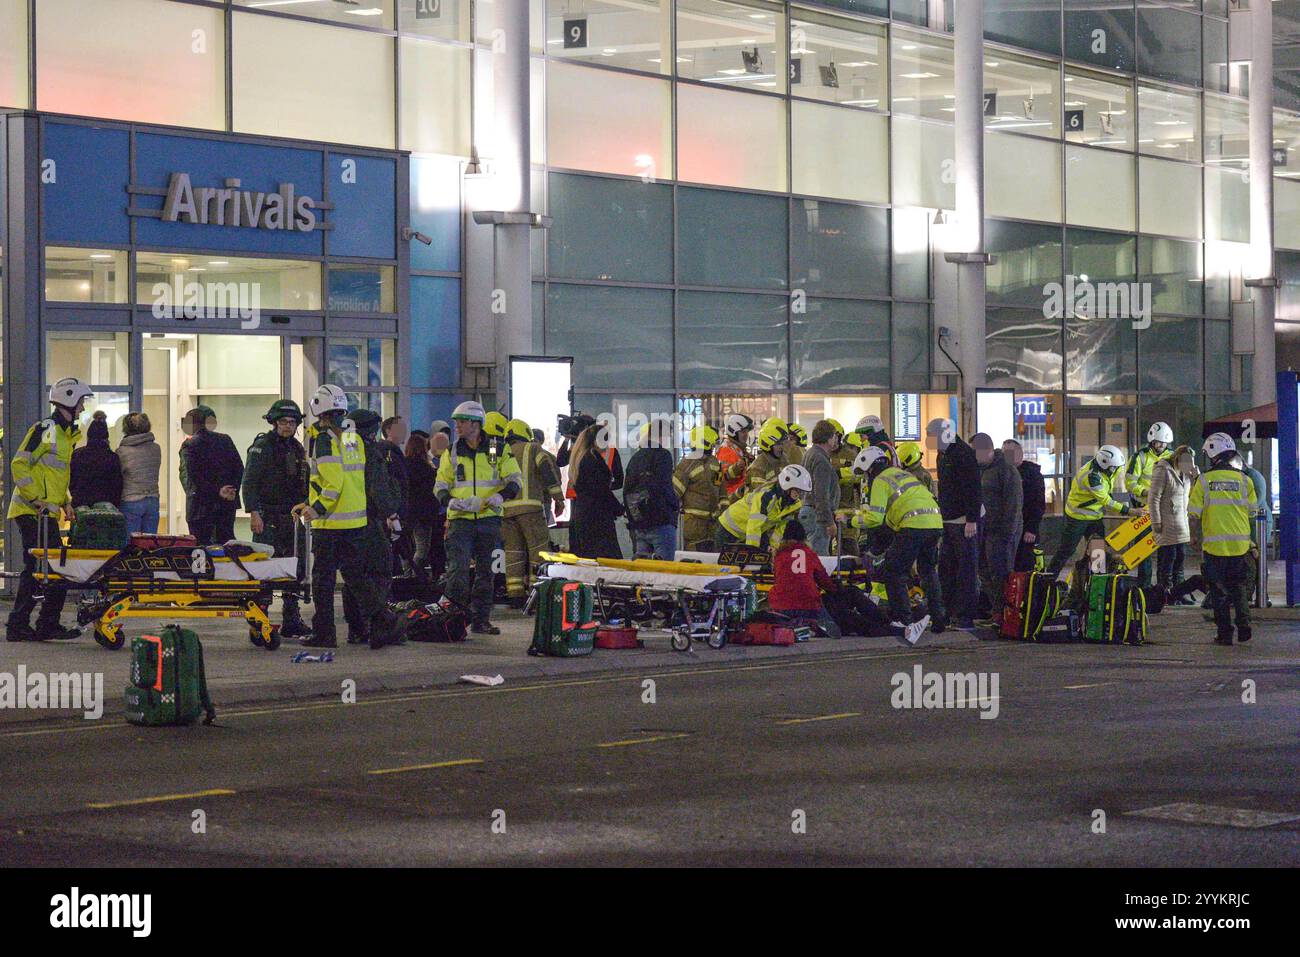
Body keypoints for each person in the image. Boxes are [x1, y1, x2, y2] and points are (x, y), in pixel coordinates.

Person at [296, 386, 399, 650]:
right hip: (355, 521)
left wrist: (315, 509)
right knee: (355, 576)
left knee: (323, 580)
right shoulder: (353, 438)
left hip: (331, 522)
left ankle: (324, 633)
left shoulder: (324, 439)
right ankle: (382, 617)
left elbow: (334, 482)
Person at [5, 377, 90, 642]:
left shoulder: (66, 435)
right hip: (32, 511)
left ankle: (34, 624)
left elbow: (54, 475)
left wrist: (65, 501)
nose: (83, 409)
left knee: (46, 568)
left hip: (46, 512)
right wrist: (37, 499)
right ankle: (30, 625)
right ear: (68, 399)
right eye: (81, 403)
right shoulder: (47, 429)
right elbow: (19, 465)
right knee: (46, 568)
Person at [436, 401, 523, 634]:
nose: (457, 426)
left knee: (487, 572)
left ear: (476, 424)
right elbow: (441, 485)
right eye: (456, 422)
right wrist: (449, 501)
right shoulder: (452, 451)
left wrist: (500, 497)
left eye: (461, 422)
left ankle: (480, 620)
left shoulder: (496, 448)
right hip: (460, 520)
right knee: (458, 572)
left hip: (489, 520)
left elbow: (515, 479)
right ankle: (454, 622)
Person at [849, 446, 945, 639]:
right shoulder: (903, 475)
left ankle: (904, 621)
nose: (866, 477)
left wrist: (850, 519)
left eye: (866, 473)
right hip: (934, 523)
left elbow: (875, 518)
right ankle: (939, 618)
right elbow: (893, 519)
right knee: (927, 571)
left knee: (893, 572)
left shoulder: (880, 481)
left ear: (870, 468)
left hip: (913, 525)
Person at [242, 399, 311, 639]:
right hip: (267, 516)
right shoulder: (262, 446)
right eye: (283, 422)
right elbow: (249, 481)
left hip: (291, 517)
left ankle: (291, 619)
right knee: (264, 571)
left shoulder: (297, 448)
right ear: (274, 422)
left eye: (292, 422)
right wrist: (254, 512)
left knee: (295, 568)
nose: (287, 426)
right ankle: (259, 623)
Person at [1188, 433, 1256, 646]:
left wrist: (1194, 536)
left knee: (1218, 592)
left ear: (1212, 455)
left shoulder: (1204, 480)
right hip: (1239, 546)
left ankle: (1225, 633)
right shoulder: (1245, 480)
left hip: (1214, 547)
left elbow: (1193, 514)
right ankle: (1244, 626)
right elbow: (1252, 513)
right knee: (1238, 587)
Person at [346, 409, 404, 645]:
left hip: (344, 523)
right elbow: (378, 487)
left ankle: (356, 629)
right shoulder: (371, 452)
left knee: (353, 578)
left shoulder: (343, 450)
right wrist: (392, 513)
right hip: (368, 523)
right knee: (378, 571)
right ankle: (379, 625)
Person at [1046, 445, 1137, 577]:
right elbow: (1106, 500)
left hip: (1094, 517)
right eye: (1114, 467)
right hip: (1077, 517)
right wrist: (1130, 511)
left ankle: (1097, 583)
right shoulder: (1091, 476)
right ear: (1105, 464)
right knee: (1067, 550)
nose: (1117, 470)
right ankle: (1047, 581)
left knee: (1098, 551)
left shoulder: (1104, 469)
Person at [501, 417, 563, 605]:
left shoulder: (498, 451)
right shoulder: (533, 448)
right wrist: (558, 498)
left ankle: (515, 596)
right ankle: (537, 596)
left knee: (513, 553)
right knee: (538, 552)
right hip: (530, 510)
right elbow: (547, 471)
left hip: (505, 512)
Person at [927, 417, 980, 628]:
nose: (929, 440)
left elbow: (973, 488)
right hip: (949, 520)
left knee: (966, 569)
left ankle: (966, 616)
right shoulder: (944, 454)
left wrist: (972, 519)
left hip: (963, 521)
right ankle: (947, 612)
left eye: (931, 435)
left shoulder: (962, 454)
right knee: (947, 569)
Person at [972, 433, 1023, 629]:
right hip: (985, 529)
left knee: (1001, 573)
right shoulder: (981, 469)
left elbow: (1014, 503)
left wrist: (1008, 533)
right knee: (985, 571)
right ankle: (996, 611)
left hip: (1002, 531)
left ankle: (1005, 615)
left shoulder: (1006, 470)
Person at [180, 405, 244, 546]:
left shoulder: (190, 445)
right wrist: (231, 490)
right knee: (226, 548)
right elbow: (239, 468)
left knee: (202, 552)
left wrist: (217, 492)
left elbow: (193, 477)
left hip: (200, 508)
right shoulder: (225, 440)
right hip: (227, 506)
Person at [767, 520, 840, 638]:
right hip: (808, 604)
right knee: (831, 625)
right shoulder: (809, 553)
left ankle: (793, 626)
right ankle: (811, 626)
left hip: (782, 605)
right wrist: (834, 589)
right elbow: (823, 580)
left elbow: (778, 578)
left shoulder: (779, 555)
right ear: (804, 537)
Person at [716, 464, 811, 549]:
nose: (799, 494)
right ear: (786, 486)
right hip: (728, 528)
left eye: (801, 491)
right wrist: (752, 550)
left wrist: (774, 547)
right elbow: (754, 526)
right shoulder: (766, 497)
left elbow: (780, 529)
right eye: (797, 490)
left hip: (749, 533)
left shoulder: (793, 504)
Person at [623, 419, 680, 561]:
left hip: (640, 524)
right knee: (664, 571)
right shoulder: (663, 455)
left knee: (643, 571)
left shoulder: (636, 457)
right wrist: (674, 506)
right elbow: (664, 486)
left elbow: (627, 489)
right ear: (664, 436)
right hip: (661, 521)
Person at [565, 422, 624, 559]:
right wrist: (619, 509)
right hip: (597, 517)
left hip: (582, 513)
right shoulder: (593, 459)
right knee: (607, 561)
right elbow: (601, 490)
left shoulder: (580, 458)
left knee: (588, 559)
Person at [1126, 422, 1173, 587]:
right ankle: (1144, 586)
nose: (1161, 445)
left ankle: (1163, 588)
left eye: (1164, 442)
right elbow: (1130, 483)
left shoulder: (1173, 457)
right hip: (1145, 511)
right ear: (1152, 440)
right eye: (1158, 442)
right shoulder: (1140, 457)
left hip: (1166, 511)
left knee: (1165, 551)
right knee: (1143, 552)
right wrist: (1147, 492)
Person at [1148, 443, 1197, 599]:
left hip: (1181, 522)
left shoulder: (1187, 473)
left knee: (1180, 557)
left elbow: (1195, 495)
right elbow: (1154, 497)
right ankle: (1165, 593)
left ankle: (1179, 593)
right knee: (1168, 558)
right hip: (1166, 523)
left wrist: (1196, 477)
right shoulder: (1163, 470)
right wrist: (1156, 522)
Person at [674, 425, 724, 552]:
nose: (714, 447)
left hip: (713, 523)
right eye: (712, 444)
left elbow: (720, 488)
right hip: (694, 525)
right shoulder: (686, 465)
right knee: (693, 559)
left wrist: (723, 510)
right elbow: (674, 493)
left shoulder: (714, 462)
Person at [403, 430, 440, 582]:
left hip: (407, 513)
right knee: (422, 548)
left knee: (407, 548)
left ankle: (406, 576)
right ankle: (415, 576)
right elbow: (433, 491)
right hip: (424, 514)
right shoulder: (427, 469)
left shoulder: (404, 466)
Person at [1003, 439, 1045, 573]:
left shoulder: (1032, 474)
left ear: (1020, 453)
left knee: (1024, 565)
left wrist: (1031, 528)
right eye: (1004, 452)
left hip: (1026, 528)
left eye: (1010, 452)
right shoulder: (1003, 473)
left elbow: (1038, 503)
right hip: (1007, 527)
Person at [117, 412, 161, 534]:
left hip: (131, 499)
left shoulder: (122, 451)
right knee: (150, 543)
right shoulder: (156, 448)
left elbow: (119, 476)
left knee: (131, 544)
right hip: (153, 499)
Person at [801, 420, 841, 556]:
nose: (836, 440)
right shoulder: (821, 460)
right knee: (819, 558)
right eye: (835, 436)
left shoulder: (809, 454)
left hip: (808, 511)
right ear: (829, 438)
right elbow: (821, 494)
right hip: (817, 516)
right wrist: (829, 522)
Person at [69, 410, 123, 509]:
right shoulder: (112, 457)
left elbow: (72, 481)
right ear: (106, 437)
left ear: (89, 436)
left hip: (81, 505)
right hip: (107, 507)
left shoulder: (77, 454)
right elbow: (117, 485)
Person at [379, 416, 411, 574]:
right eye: (401, 427)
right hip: (391, 514)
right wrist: (391, 514)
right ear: (388, 430)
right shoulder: (387, 452)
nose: (404, 431)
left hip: (396, 512)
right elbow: (390, 484)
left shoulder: (396, 453)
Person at [833, 428, 863, 554]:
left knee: (849, 545)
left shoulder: (854, 458)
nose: (850, 449)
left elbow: (859, 476)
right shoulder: (819, 455)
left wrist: (840, 474)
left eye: (852, 447)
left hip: (848, 511)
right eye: (848, 446)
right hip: (831, 510)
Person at [716, 412, 755, 500]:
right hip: (730, 499)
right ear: (733, 432)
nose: (746, 435)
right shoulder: (726, 450)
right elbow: (720, 479)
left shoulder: (738, 449)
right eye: (743, 432)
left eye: (747, 432)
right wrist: (736, 468)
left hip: (740, 498)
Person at [745, 417, 790, 492]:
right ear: (767, 443)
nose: (781, 447)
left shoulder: (783, 459)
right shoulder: (757, 468)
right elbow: (761, 498)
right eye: (778, 444)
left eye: (782, 443)